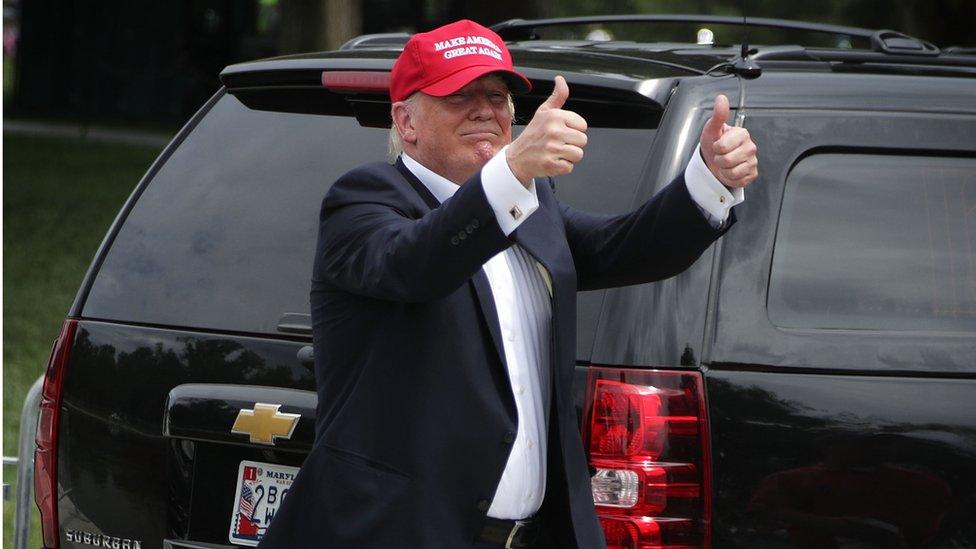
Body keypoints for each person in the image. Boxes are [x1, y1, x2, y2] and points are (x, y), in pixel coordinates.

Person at [260, 18, 757, 549]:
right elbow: (418, 262)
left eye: (497, 96)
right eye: (458, 95)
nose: (485, 110)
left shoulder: (531, 205)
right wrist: (513, 171)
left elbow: (624, 248)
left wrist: (709, 179)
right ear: (406, 121)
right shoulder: (363, 201)